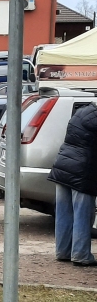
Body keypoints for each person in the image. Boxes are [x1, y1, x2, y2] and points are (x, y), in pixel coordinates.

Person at [48, 102, 97, 266]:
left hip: (63, 165)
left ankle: (63, 251)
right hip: (82, 170)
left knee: (64, 212)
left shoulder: (81, 111)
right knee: (83, 213)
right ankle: (81, 255)